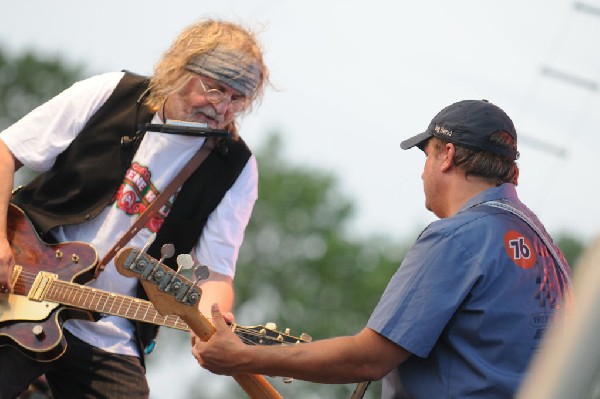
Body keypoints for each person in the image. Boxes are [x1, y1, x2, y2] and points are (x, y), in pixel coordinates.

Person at [192, 99, 574, 398]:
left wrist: (242, 357)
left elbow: (368, 359)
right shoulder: (548, 250)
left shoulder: (457, 237)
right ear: (513, 172)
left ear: (448, 156)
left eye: (426, 156)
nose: (422, 172)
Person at [0, 18, 268, 398]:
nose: (223, 107)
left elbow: (215, 276)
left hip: (110, 334)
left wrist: (212, 321)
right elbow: (5, 151)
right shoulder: (111, 93)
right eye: (215, 89)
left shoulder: (235, 167)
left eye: (237, 98)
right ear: (181, 69)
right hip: (17, 293)